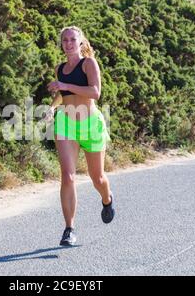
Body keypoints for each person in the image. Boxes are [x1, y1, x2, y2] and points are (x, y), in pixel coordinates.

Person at [46, 26, 115, 246]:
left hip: (90, 124)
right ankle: (69, 229)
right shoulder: (61, 68)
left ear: (81, 42)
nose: (68, 43)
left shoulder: (89, 64)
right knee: (68, 176)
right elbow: (62, 94)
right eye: (64, 40)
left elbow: (95, 92)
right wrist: (52, 107)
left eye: (72, 39)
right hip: (66, 124)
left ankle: (107, 199)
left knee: (98, 178)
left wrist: (65, 85)